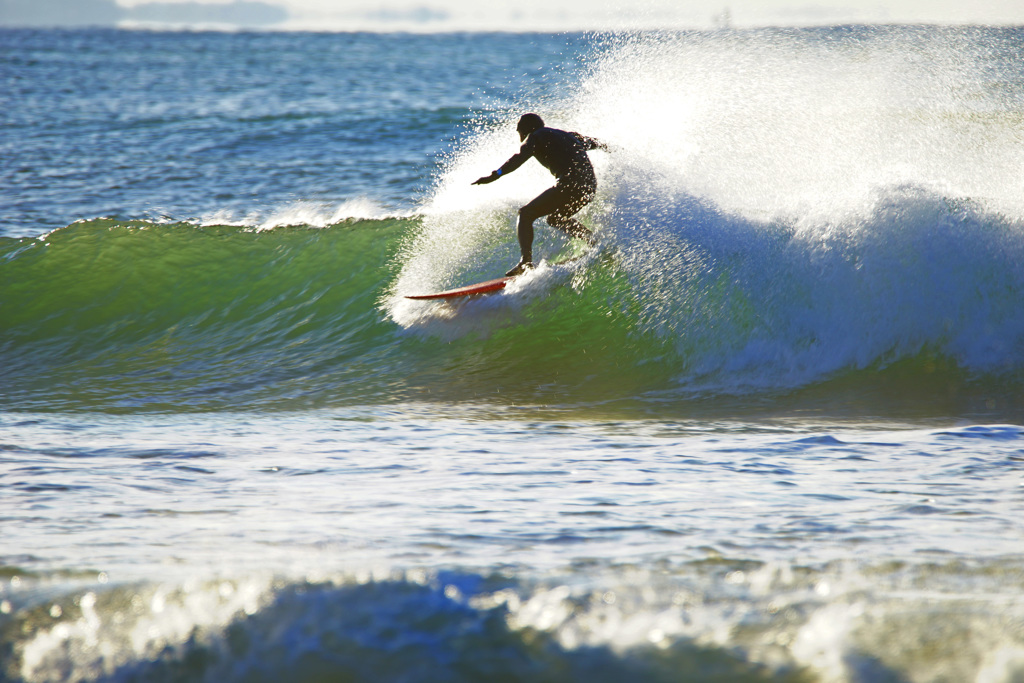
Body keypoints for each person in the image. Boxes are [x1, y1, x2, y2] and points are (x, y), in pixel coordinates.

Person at [473, 113, 607, 276]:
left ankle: (525, 262)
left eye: (519, 132)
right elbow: (595, 143)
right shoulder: (567, 135)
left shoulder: (534, 136)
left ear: (526, 130)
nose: (520, 137)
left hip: (570, 184)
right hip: (589, 187)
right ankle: (593, 241)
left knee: (525, 213)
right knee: (556, 219)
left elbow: (518, 157)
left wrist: (495, 174)